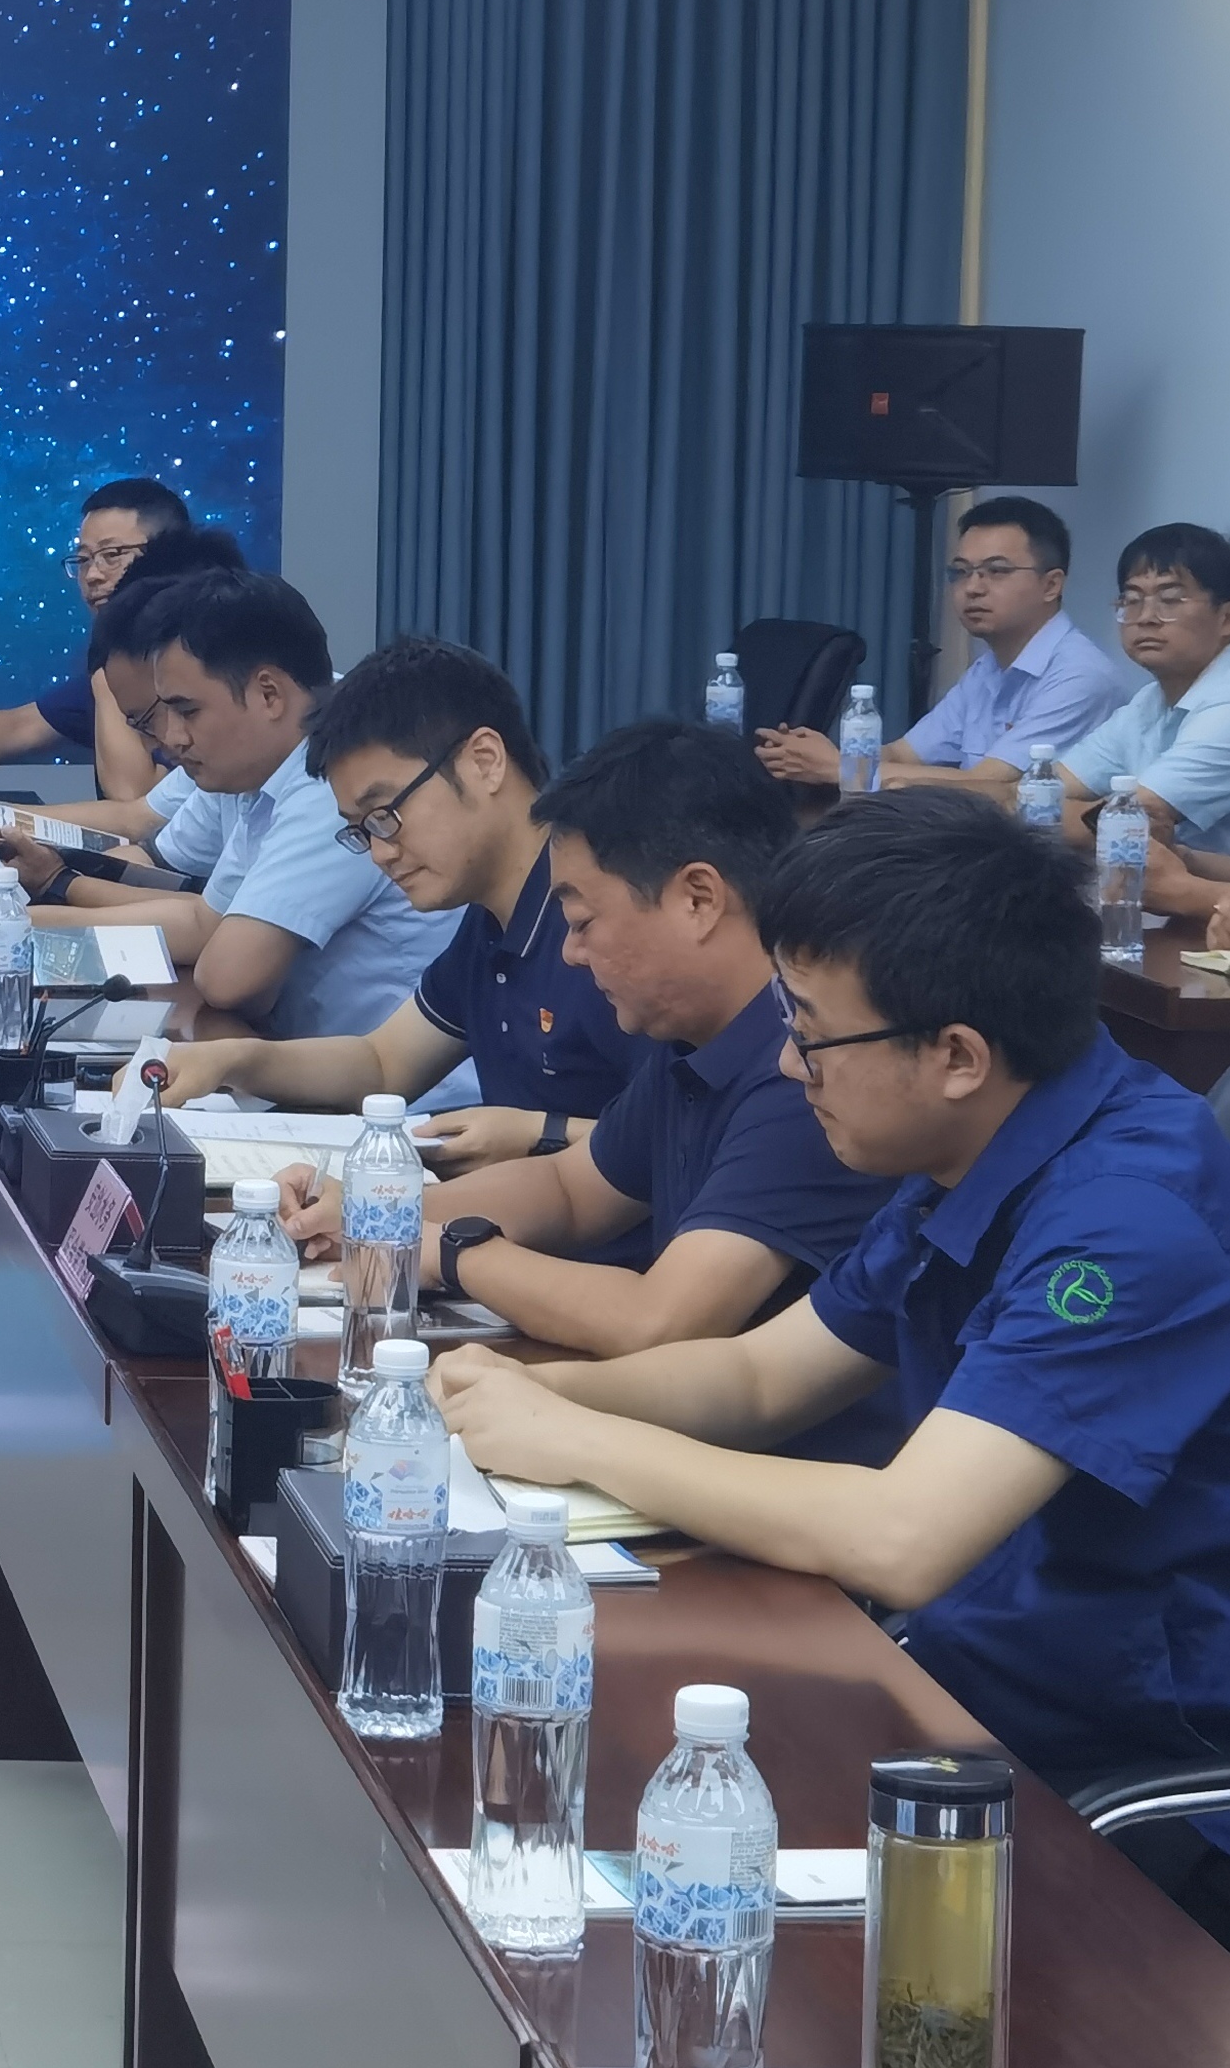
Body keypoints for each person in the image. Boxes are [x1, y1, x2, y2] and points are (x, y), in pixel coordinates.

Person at [432, 792, 1230, 1934]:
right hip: (973, 1669)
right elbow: (760, 1378)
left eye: (808, 1032)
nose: (788, 1063)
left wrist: (578, 1436)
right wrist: (527, 1395)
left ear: (955, 1055)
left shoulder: (1124, 1223)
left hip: (1132, 1748)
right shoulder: (980, 1139)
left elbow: (904, 1538)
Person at [273, 720, 888, 1379]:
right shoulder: (695, 1037)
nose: (569, 953)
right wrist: (372, 1211)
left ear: (698, 899)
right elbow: (569, 1189)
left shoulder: (806, 1068)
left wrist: (450, 1252)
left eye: (583, 923)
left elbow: (660, 1319)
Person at [161, 635, 647, 1165]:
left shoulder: (605, 919)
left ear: (484, 762)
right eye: (361, 832)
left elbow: (684, 1136)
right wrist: (233, 1060)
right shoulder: (490, 921)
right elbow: (383, 1063)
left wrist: (542, 1132)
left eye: (385, 816)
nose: (380, 853)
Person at [0, 570, 457, 1040]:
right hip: (313, 1059)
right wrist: (49, 891)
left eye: (186, 711)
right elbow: (204, 918)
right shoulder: (256, 764)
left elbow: (228, 979)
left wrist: (21, 923)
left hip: (389, 1082)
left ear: (269, 694)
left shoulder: (334, 782)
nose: (172, 738)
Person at [756, 496, 1131, 795]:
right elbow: (906, 753)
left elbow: (990, 785)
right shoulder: (988, 667)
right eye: (960, 572)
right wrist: (817, 755)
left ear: (1051, 585)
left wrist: (839, 768)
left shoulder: (1080, 676)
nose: (973, 588)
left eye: (997, 571)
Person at [0, 478, 192, 798]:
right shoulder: (120, 662)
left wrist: (105, 663)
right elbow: (19, 727)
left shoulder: (198, 654)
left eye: (112, 554)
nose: (92, 575)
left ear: (169, 555)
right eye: (83, 560)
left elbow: (132, 800)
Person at [1043, 523, 1230, 922]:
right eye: (1131, 600)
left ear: (1226, 618)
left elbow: (1128, 821)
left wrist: (1090, 816)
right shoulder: (1149, 701)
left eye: (1170, 600)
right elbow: (1043, 791)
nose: (1145, 618)